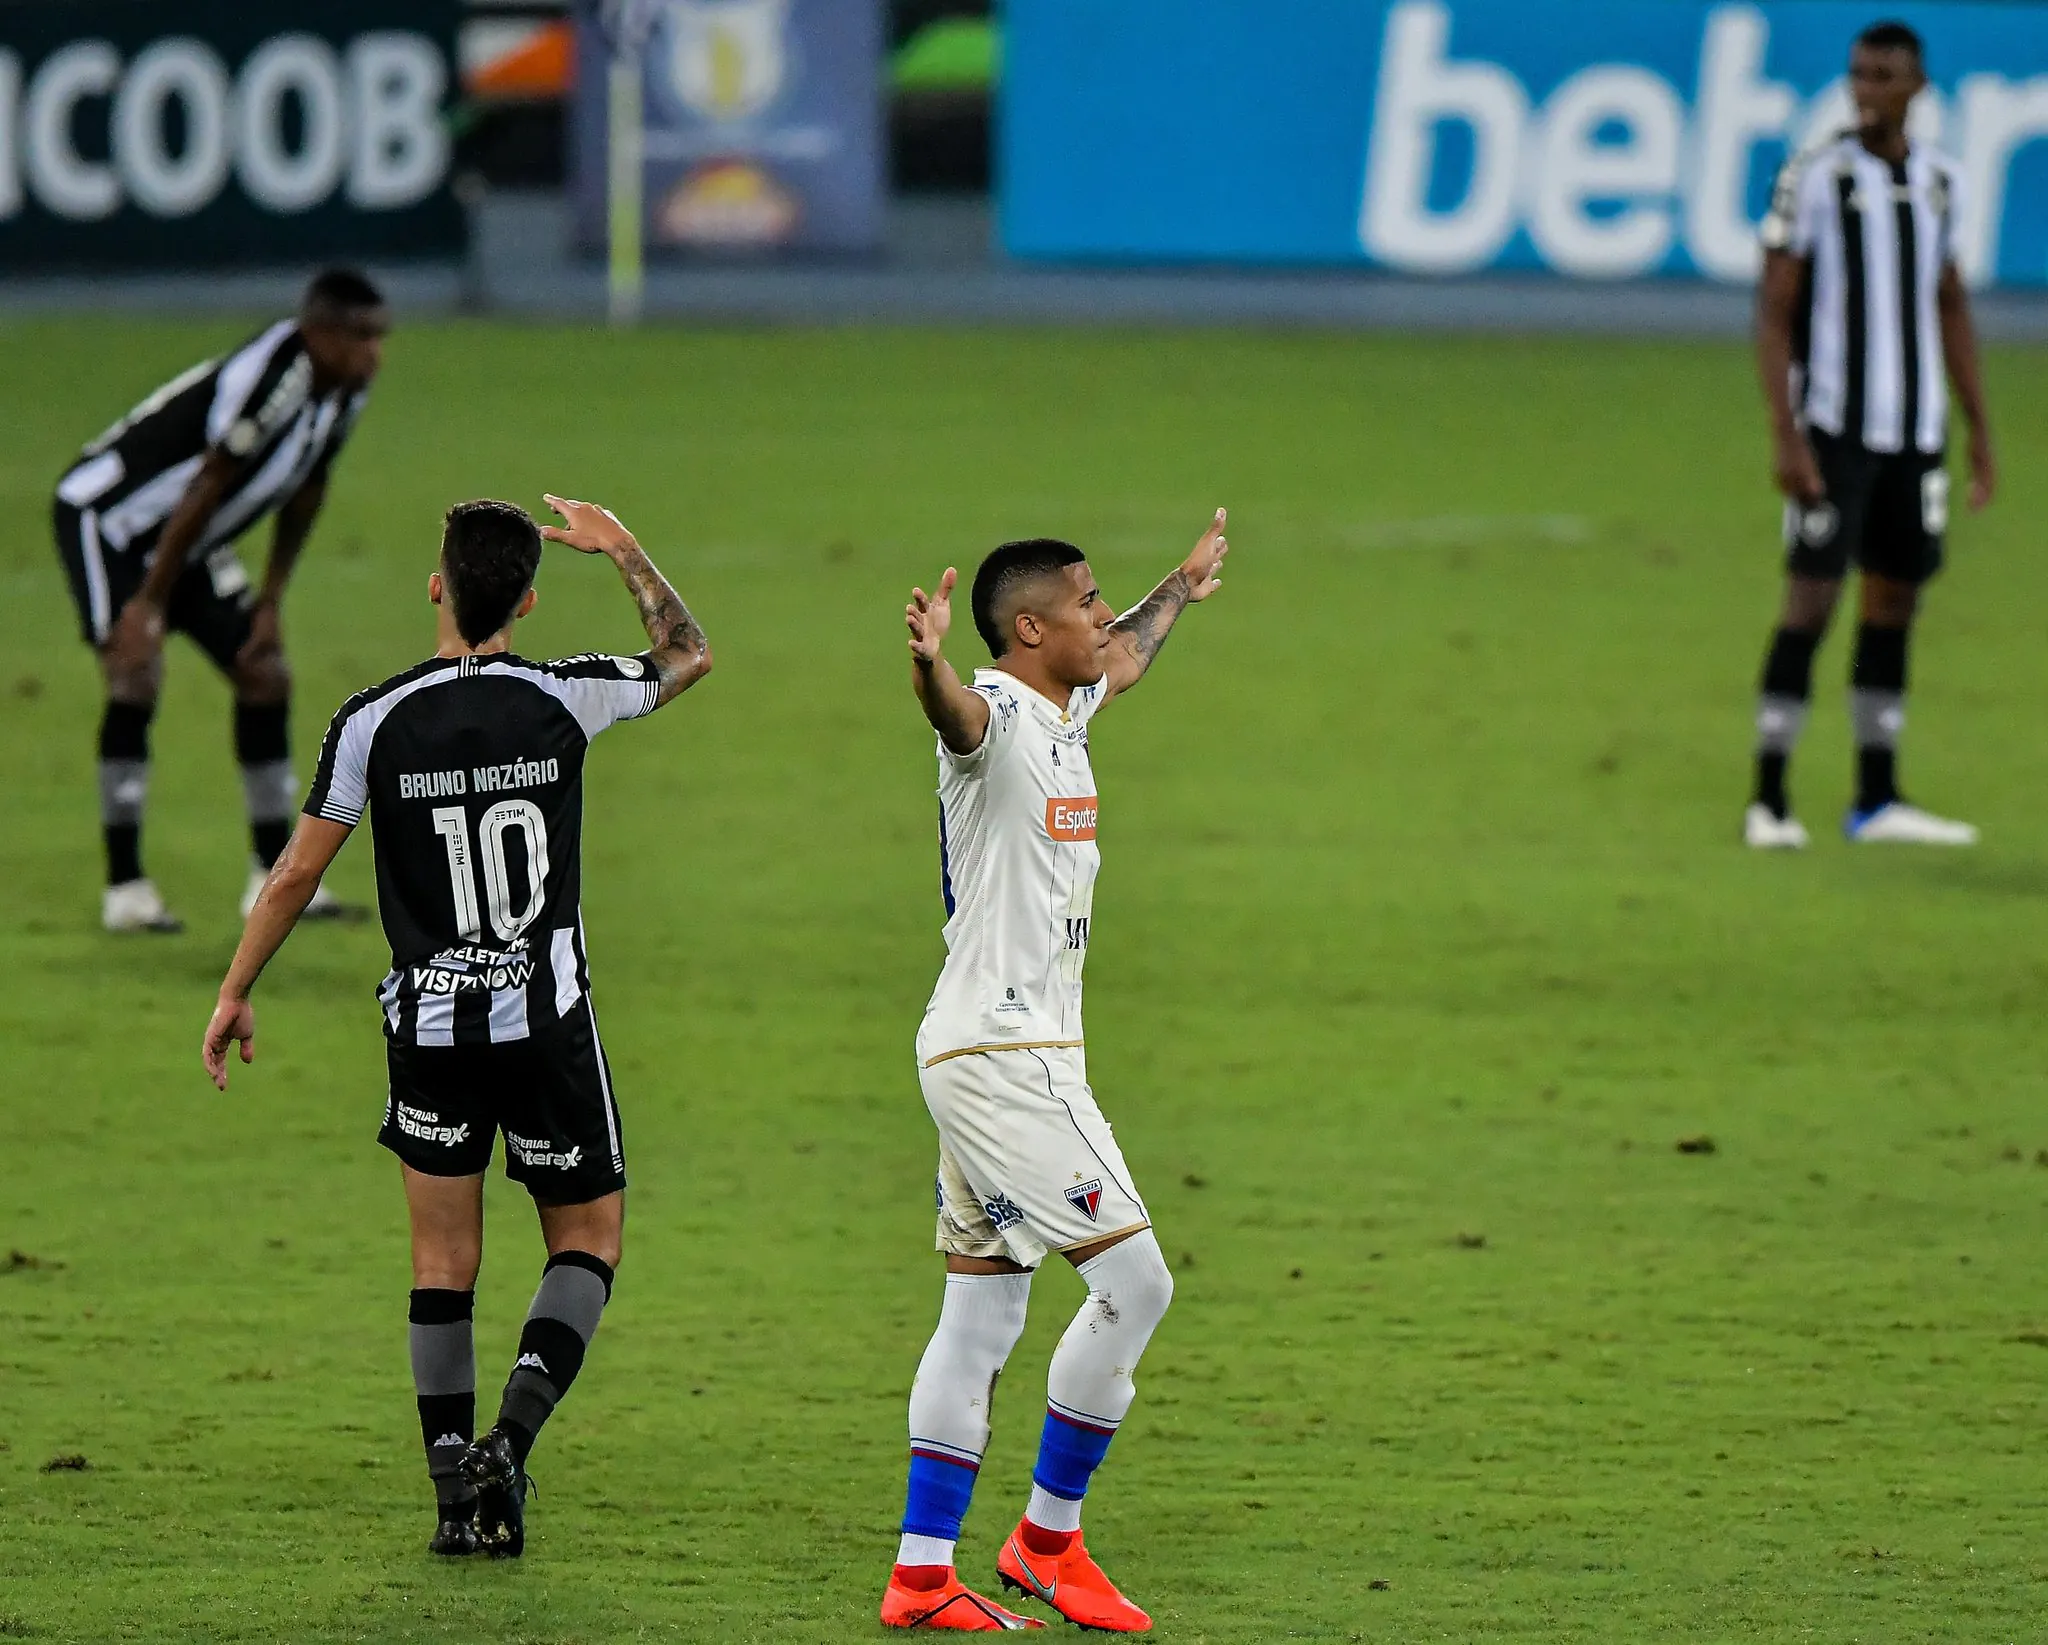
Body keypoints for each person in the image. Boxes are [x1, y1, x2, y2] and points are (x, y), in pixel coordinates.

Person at [201, 497, 712, 1558]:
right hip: (547, 1025)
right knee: (587, 1239)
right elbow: (686, 652)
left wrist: (236, 988)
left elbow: (298, 869)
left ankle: (451, 1504)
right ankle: (508, 1446)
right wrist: (621, 544)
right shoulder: (564, 694)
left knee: (443, 1261)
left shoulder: (371, 719)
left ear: (438, 586)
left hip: (430, 1032)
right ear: (525, 598)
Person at [881, 511, 1230, 1632]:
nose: (1101, 611)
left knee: (980, 1319)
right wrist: (930, 665)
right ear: (1027, 628)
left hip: (997, 1051)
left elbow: (1124, 653)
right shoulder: (991, 721)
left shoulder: (1069, 704)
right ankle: (1044, 1542)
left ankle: (920, 1577)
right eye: (1083, 599)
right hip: (1003, 1057)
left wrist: (1177, 585)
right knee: (1138, 1286)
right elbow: (957, 716)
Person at [54, 268, 390, 931]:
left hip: (190, 540)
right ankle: (126, 889)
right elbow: (205, 486)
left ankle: (273, 876)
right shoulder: (272, 379)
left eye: (380, 337)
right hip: (113, 524)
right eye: (361, 338)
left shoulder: (346, 388)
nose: (375, 352)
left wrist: (269, 600)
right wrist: (147, 606)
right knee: (135, 675)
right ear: (318, 334)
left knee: (264, 674)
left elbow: (307, 488)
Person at [1746, 19, 1997, 850]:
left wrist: (1979, 426)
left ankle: (1876, 798)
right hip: (1834, 430)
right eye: (1858, 74)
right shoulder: (1816, 176)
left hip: (1914, 432)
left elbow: (1949, 303)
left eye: (1884, 75)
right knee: (1810, 602)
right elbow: (1775, 308)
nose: (1867, 90)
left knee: (1894, 602)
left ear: (1918, 87)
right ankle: (1769, 799)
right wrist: (1786, 434)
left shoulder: (1941, 182)